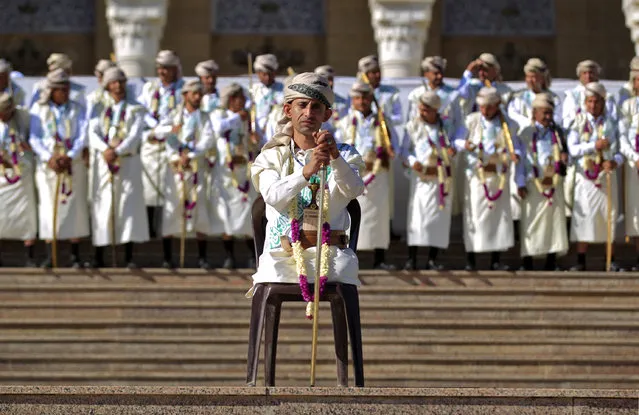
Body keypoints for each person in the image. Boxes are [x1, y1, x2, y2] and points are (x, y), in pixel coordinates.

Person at [249, 72, 364, 311]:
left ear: (327, 114)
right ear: (288, 110)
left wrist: (335, 158)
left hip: (331, 255)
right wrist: (306, 172)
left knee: (343, 270)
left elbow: (354, 189)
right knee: (271, 271)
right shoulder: (271, 155)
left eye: (316, 107)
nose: (309, 113)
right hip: (282, 255)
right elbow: (273, 197)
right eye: (302, 105)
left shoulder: (345, 154)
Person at [455, 87, 524, 271]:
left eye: (489, 107)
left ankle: (496, 260)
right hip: (477, 177)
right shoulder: (471, 121)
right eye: (482, 107)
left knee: (498, 219)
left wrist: (515, 154)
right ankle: (471, 260)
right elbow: (457, 140)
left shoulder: (508, 124)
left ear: (496, 106)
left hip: (499, 175)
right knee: (475, 217)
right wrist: (465, 144)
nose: (485, 111)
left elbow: (516, 146)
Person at [87, 67, 150, 268]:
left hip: (127, 162)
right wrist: (106, 149)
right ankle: (99, 255)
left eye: (121, 82)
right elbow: (92, 132)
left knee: (128, 207)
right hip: (104, 163)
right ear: (107, 85)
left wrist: (118, 150)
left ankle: (129, 256)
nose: (118, 86)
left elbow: (134, 134)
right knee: (104, 206)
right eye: (113, 82)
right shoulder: (98, 108)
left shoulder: (136, 108)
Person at [29, 69, 90, 268]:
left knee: (74, 207)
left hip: (71, 163)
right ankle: (50, 254)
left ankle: (75, 256)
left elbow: (82, 135)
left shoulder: (77, 109)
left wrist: (69, 156)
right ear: (52, 91)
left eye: (66, 88)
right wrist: (49, 158)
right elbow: (35, 138)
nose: (64, 92)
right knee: (48, 208)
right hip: (49, 166)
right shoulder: (39, 110)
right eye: (60, 89)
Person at [153, 79, 215, 269]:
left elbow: (208, 139)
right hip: (175, 169)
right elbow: (158, 132)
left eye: (200, 94)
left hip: (196, 168)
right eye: (194, 94)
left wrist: (192, 154)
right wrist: (171, 132)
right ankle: (167, 257)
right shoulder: (173, 114)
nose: (197, 97)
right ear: (185, 95)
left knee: (199, 209)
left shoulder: (204, 117)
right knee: (172, 209)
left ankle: (202, 257)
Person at [335, 81, 397, 270]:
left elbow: (393, 144)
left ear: (371, 98)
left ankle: (379, 258)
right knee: (352, 215)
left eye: (365, 97)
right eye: (357, 98)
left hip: (377, 174)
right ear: (352, 100)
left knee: (378, 216)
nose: (361, 101)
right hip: (353, 174)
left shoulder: (383, 121)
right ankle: (352, 258)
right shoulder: (345, 122)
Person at [567, 82, 623, 272]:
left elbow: (620, 150)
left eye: (597, 102)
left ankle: (611, 259)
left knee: (608, 216)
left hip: (606, 175)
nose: (593, 106)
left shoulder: (611, 123)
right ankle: (581, 260)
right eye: (589, 102)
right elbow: (573, 149)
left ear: (603, 102)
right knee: (584, 218)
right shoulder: (579, 121)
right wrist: (593, 146)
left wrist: (615, 161)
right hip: (586, 177)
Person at [402, 90, 456, 270]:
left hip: (441, 179)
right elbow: (405, 151)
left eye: (426, 110)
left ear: (435, 110)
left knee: (438, 220)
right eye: (420, 109)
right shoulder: (412, 126)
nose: (422, 113)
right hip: (421, 180)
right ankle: (412, 259)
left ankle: (432, 259)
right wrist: (413, 162)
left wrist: (451, 151)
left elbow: (454, 145)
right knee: (417, 219)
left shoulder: (446, 127)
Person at [210, 83, 259, 269]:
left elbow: (254, 143)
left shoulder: (248, 118)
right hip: (225, 172)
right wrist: (238, 118)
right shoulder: (220, 114)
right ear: (231, 100)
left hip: (243, 170)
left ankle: (251, 255)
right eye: (240, 99)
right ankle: (229, 255)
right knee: (226, 214)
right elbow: (218, 129)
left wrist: (254, 138)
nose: (243, 102)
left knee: (246, 212)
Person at [517, 93, 569, 271]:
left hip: (553, 184)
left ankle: (551, 261)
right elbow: (521, 161)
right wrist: (520, 182)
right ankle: (528, 262)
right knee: (531, 223)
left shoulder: (558, 133)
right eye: (544, 113)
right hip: (533, 184)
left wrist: (564, 159)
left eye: (550, 113)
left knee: (553, 223)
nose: (547, 117)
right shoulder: (525, 133)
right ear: (534, 113)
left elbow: (566, 157)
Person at [138, 50, 185, 238]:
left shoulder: (182, 90)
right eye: (160, 68)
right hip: (152, 145)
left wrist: (164, 130)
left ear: (175, 70)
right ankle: (150, 229)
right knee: (150, 190)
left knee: (171, 191)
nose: (162, 72)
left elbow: (179, 119)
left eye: (166, 68)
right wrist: (155, 128)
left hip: (173, 145)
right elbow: (142, 112)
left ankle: (168, 234)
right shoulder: (150, 89)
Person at [0, 93, 37, 266]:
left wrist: (29, 146)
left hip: (22, 171)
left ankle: (29, 255)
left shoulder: (24, 117)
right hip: (1, 174)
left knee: (26, 214)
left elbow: (36, 139)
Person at [406, 56, 461, 129]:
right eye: (436, 73)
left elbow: (459, 122)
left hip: (446, 137)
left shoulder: (453, 94)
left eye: (441, 73)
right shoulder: (416, 94)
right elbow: (411, 120)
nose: (439, 76)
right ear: (426, 74)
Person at [562, 60, 618, 130]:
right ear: (579, 76)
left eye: (591, 73)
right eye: (584, 73)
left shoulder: (607, 96)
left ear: (597, 75)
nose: (588, 76)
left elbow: (613, 118)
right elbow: (567, 121)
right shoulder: (571, 96)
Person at [507, 58, 561, 129]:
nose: (530, 80)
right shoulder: (519, 97)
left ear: (542, 78)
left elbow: (557, 118)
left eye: (533, 77)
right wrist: (530, 124)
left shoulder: (553, 98)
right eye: (528, 77)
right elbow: (512, 115)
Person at [250, 54, 284, 141]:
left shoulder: (282, 89)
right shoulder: (253, 90)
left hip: (275, 135)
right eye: (264, 74)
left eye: (270, 74)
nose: (268, 78)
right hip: (257, 135)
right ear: (258, 73)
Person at [314, 65, 349, 132]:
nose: (331, 83)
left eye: (331, 79)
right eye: (327, 80)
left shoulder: (342, 101)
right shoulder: (311, 101)